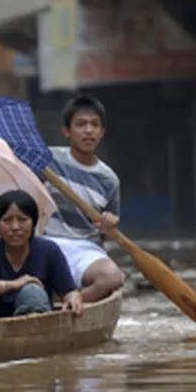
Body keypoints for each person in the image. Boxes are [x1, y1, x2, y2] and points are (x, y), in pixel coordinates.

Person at [42, 92, 125, 303]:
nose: (88, 130)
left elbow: (107, 231)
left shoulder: (109, 180)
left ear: (102, 131)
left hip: (85, 247)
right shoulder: (47, 161)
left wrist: (110, 224)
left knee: (112, 277)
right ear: (67, 131)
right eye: (80, 124)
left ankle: (71, 302)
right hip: (47, 243)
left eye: (94, 124)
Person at [0, 190, 83, 317]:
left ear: (33, 222)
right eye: (7, 220)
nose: (15, 227)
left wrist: (73, 299)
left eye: (22, 219)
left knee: (32, 290)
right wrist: (12, 285)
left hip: (37, 319)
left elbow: (68, 290)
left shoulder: (48, 250)